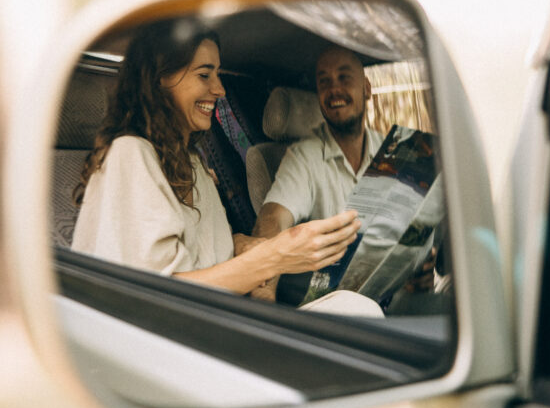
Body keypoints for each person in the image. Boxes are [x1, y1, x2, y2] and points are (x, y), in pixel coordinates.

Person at [71, 20, 360, 300]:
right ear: (161, 79)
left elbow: (203, 251)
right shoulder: (129, 155)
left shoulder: (192, 162)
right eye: (204, 75)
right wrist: (274, 258)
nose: (220, 89)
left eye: (218, 74)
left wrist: (241, 243)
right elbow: (156, 294)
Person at [251, 45, 384, 300]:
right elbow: (274, 219)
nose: (334, 89)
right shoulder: (304, 156)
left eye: (344, 77)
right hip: (337, 305)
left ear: (366, 88)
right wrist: (263, 291)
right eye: (324, 82)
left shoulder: (388, 151)